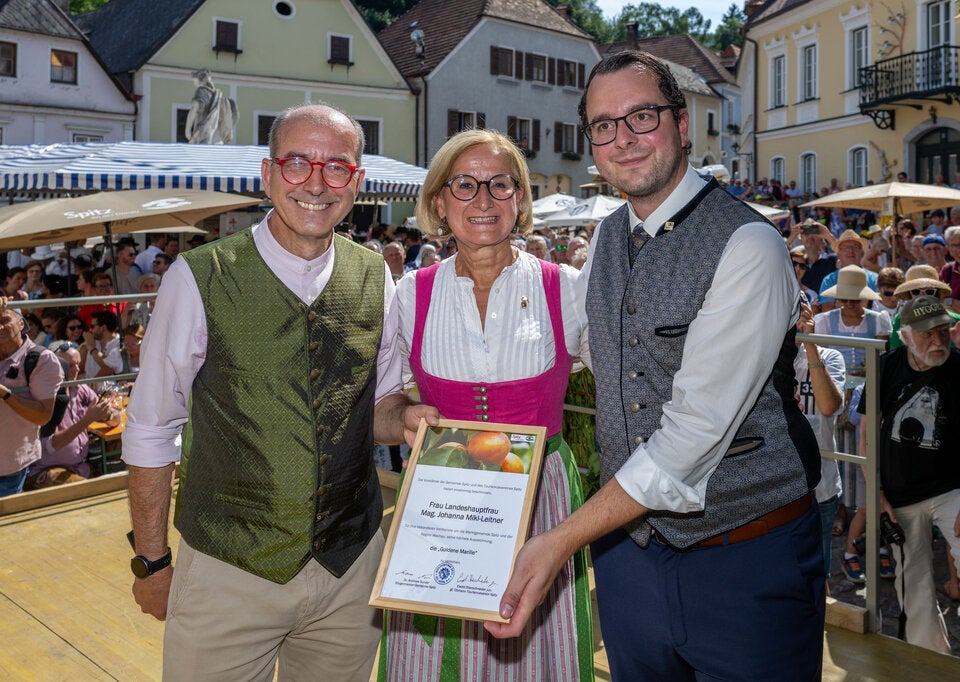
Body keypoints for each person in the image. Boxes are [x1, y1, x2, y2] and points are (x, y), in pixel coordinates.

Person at [487, 51, 824, 681]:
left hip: (746, 557)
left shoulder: (749, 244)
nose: (625, 138)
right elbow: (568, 340)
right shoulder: (610, 237)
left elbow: (691, 437)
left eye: (642, 116)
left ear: (682, 122)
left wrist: (560, 539)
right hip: (630, 561)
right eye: (604, 125)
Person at [121, 102, 438, 681]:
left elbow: (378, 409)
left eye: (336, 167)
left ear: (357, 184)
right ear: (268, 176)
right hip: (228, 569)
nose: (317, 183)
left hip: (349, 565)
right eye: (297, 164)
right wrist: (152, 560)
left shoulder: (376, 276)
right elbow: (150, 428)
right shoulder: (197, 277)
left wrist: (412, 420)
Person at [381, 129, 593, 680]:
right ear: (439, 202)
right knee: (433, 654)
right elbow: (381, 405)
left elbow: (631, 384)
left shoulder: (566, 288)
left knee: (536, 650)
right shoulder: (409, 294)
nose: (483, 200)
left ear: (519, 198)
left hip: (540, 496)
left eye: (500, 184)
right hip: (440, 500)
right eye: (465, 185)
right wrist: (404, 415)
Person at [857, 296, 960, 653]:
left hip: (952, 488)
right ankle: (933, 661)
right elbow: (866, 435)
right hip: (899, 493)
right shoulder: (886, 367)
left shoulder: (959, 368)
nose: (938, 341)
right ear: (906, 335)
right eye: (928, 333)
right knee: (912, 582)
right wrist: (877, 494)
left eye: (944, 331)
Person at [794, 298, 846, 587]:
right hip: (782, 487)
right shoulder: (765, 356)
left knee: (819, 573)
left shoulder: (830, 356)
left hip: (822, 486)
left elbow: (828, 407)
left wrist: (810, 343)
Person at [0, 298, 64, 496]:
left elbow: (43, 415)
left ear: (21, 323)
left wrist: (5, 394)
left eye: (4, 320)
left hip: (8, 464)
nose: (0, 326)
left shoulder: (41, 359)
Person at [25, 343, 111, 488]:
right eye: (70, 365)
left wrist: (107, 415)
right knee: (95, 491)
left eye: (78, 364)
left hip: (79, 468)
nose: (76, 370)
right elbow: (51, 446)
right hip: (46, 472)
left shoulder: (80, 389)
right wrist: (88, 419)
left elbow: (114, 418)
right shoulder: (42, 396)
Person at [819, 230, 879, 311]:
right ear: (838, 254)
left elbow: (878, 307)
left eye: (855, 247)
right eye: (846, 247)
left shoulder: (875, 279)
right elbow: (827, 310)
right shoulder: (829, 280)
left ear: (862, 253)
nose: (851, 251)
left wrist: (840, 305)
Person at [82, 310, 124, 379]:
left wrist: (92, 349)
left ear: (103, 328)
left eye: (92, 326)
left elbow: (108, 367)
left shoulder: (119, 344)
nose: (90, 330)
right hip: (89, 385)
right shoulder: (94, 341)